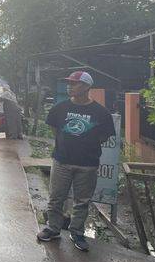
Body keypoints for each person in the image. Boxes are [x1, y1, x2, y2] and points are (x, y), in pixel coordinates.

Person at [36, 71, 114, 252]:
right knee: (56, 198)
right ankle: (53, 228)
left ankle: (77, 232)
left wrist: (84, 146)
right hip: (62, 161)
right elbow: (55, 130)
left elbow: (104, 136)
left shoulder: (101, 113)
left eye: (74, 83)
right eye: (68, 83)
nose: (69, 86)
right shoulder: (59, 108)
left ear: (87, 87)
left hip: (87, 164)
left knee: (82, 201)